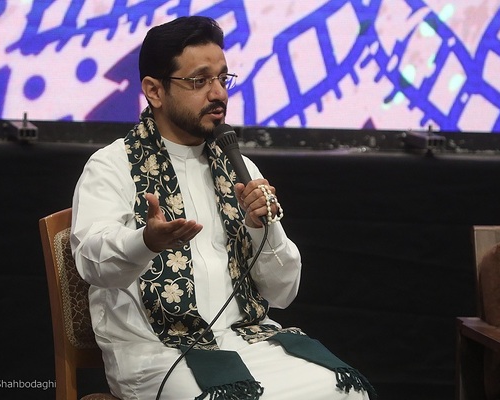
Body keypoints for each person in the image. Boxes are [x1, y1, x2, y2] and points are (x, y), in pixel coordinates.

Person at [71, 16, 374, 400]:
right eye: (199, 81)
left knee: (346, 392)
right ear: (154, 91)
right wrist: (146, 241)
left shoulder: (239, 168)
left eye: (222, 78)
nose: (218, 94)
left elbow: (283, 292)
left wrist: (262, 228)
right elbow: (91, 262)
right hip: (159, 354)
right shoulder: (112, 166)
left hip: (249, 338)